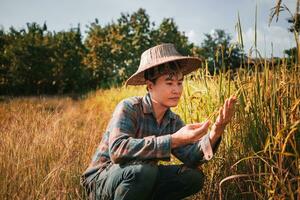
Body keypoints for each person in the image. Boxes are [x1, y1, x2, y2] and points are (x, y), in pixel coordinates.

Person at [81, 43, 237, 200]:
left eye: (179, 82)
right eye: (169, 83)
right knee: (145, 171)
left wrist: (217, 130)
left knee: (193, 177)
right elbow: (118, 150)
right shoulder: (129, 107)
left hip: (140, 176)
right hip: (101, 180)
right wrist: (173, 140)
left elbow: (192, 157)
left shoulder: (172, 121)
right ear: (150, 86)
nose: (177, 90)